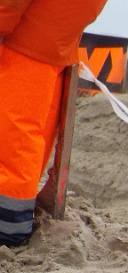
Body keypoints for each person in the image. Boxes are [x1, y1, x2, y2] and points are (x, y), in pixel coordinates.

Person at [0, 0, 108, 247]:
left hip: (24, 46)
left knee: (13, 140)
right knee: (27, 141)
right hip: (54, 45)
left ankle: (8, 227)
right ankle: (13, 224)